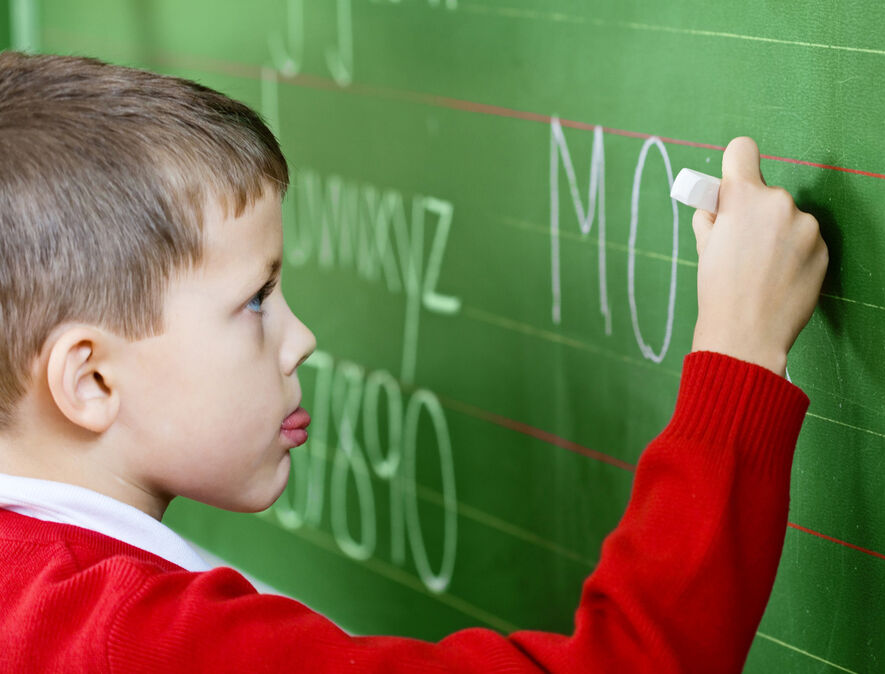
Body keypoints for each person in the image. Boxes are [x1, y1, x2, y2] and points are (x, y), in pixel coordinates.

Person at [0, 51, 828, 672]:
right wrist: (741, 353)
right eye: (255, 302)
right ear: (92, 380)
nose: (300, 339)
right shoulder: (144, 645)